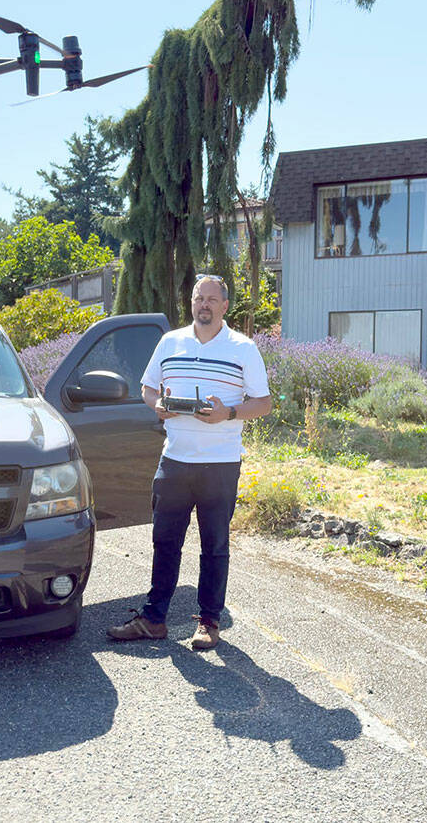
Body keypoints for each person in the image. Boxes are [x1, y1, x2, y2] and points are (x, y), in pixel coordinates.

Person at [106, 274, 272, 650]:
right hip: (175, 460)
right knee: (165, 542)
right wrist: (158, 406)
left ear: (225, 306)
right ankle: (153, 619)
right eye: (200, 298)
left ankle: (209, 623)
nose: (205, 305)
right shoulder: (170, 342)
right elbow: (148, 389)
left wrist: (228, 413)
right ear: (192, 303)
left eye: (212, 299)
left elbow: (263, 403)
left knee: (214, 545)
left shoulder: (243, 348)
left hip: (221, 463)